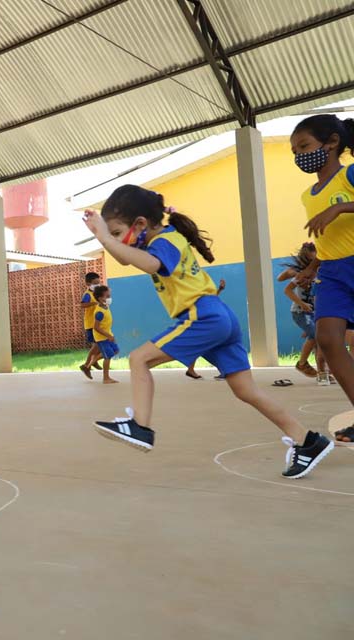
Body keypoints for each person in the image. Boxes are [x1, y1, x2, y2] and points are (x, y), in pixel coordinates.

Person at [84, 185, 333, 478]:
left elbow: (149, 263)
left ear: (140, 224)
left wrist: (103, 236)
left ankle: (140, 426)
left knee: (139, 359)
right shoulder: (162, 240)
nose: (113, 239)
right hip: (218, 315)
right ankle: (307, 441)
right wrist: (103, 235)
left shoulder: (165, 242)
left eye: (116, 232)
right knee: (246, 390)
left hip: (201, 315)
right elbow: (126, 257)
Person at [290, 114, 354, 443]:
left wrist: (340, 208)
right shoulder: (308, 195)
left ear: (331, 143)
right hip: (331, 273)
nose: (299, 155)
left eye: (305, 146)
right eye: (294, 150)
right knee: (327, 339)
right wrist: (311, 269)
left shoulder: (349, 176)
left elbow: (337, 218)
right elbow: (326, 240)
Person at [278, 243, 327, 383]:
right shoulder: (301, 274)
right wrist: (302, 304)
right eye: (312, 260)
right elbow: (286, 289)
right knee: (316, 335)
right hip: (300, 311)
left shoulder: (321, 273)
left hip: (314, 312)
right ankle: (302, 363)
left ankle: (322, 373)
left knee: (319, 340)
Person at [186, 278, 226, 379]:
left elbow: (212, 298)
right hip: (200, 325)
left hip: (200, 325)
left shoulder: (199, 295)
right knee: (210, 348)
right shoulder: (191, 296)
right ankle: (225, 370)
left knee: (199, 349)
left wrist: (220, 289)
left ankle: (191, 370)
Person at [91, 285, 119, 384]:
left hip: (108, 334)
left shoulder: (106, 306)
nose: (109, 298)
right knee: (108, 356)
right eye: (107, 296)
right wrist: (108, 336)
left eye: (109, 296)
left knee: (115, 350)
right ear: (100, 298)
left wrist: (110, 335)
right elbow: (96, 327)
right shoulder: (99, 312)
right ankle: (106, 378)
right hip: (102, 338)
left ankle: (93, 361)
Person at [79, 272, 103, 379]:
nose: (97, 285)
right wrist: (94, 303)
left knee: (99, 345)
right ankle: (87, 364)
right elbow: (82, 305)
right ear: (88, 283)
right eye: (95, 283)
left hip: (100, 324)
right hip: (91, 324)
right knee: (98, 345)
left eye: (98, 282)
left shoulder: (99, 293)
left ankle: (92, 362)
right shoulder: (88, 294)